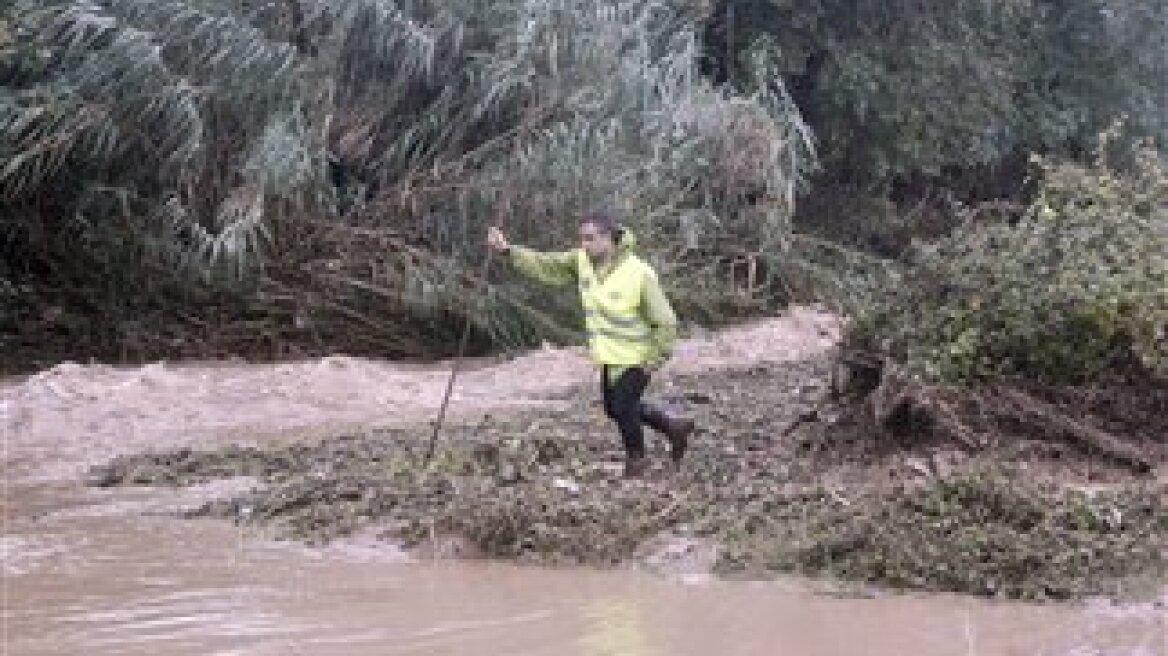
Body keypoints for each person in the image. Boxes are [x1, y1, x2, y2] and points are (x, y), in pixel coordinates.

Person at [486, 210, 694, 478]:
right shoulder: (581, 261)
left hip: (639, 356)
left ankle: (637, 463)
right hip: (609, 355)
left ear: (609, 238)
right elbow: (545, 264)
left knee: (623, 408)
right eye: (582, 239)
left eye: (590, 238)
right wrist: (507, 251)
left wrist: (656, 357)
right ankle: (673, 426)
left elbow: (666, 320)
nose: (584, 245)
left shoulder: (639, 273)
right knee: (614, 409)